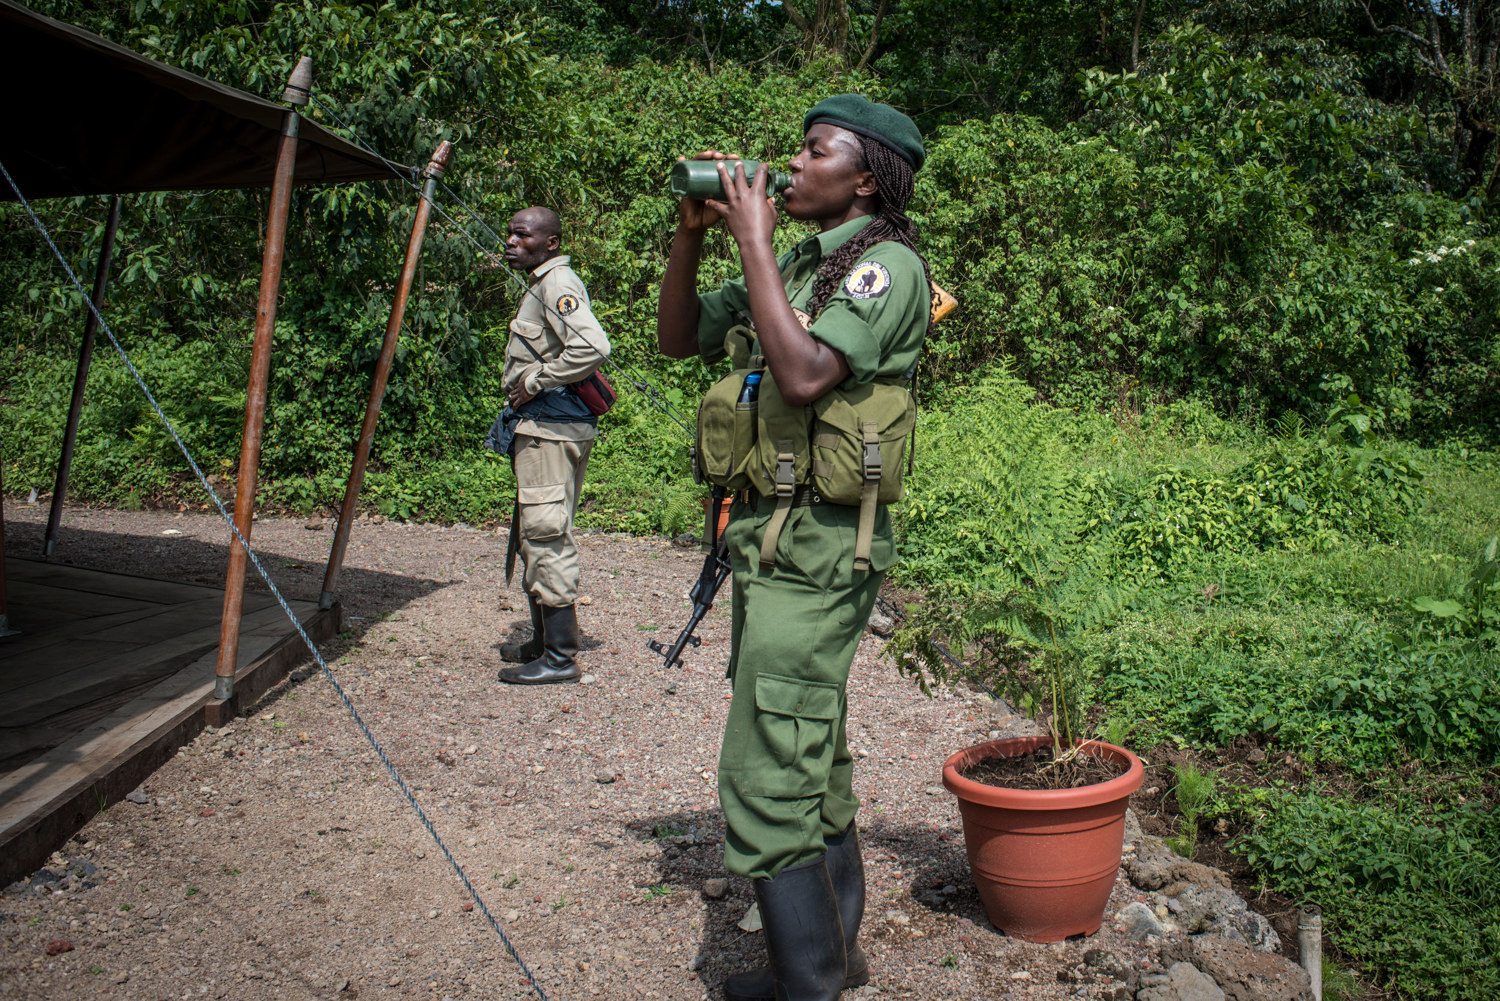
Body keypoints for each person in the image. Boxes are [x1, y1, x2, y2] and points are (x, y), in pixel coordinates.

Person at [656, 96, 931, 1001]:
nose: (791, 165)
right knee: (811, 743)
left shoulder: (884, 269)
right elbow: (676, 336)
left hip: (819, 546)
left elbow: (808, 372)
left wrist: (756, 241)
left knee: (769, 762)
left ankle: (805, 985)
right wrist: (696, 232)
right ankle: (836, 955)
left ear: (865, 177)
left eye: (815, 153)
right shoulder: (803, 268)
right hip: (772, 540)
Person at [493, 206, 610, 685]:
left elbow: (594, 347)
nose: (511, 242)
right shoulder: (542, 283)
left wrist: (538, 380)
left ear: (550, 243)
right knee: (533, 533)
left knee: (544, 533)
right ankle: (544, 641)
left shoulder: (557, 284)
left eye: (522, 235)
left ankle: (560, 658)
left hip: (551, 428)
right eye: (510, 233)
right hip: (545, 427)